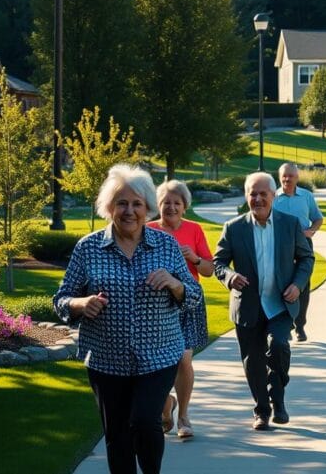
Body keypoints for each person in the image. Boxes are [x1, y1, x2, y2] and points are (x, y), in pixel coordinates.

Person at [53, 164, 201, 474]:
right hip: (106, 360)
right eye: (122, 203)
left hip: (159, 355)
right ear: (109, 207)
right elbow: (61, 299)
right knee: (117, 436)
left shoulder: (166, 245)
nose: (129, 211)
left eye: (136, 204)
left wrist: (175, 284)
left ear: (148, 207)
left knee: (145, 422)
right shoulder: (89, 248)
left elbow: (193, 297)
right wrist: (81, 304)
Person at [214, 171, 314, 430]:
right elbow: (219, 263)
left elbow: (306, 259)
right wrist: (230, 276)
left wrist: (297, 284)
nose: (258, 199)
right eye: (253, 194)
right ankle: (262, 410)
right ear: (246, 196)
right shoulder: (234, 228)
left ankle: (278, 398)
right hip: (247, 306)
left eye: (263, 194)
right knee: (253, 360)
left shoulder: (290, 224)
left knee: (280, 345)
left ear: (273, 196)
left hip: (280, 304)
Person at [147, 180, 212, 440]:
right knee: (156, 361)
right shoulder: (148, 230)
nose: (171, 207)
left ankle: (183, 415)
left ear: (185, 206)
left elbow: (208, 270)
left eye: (177, 202)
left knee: (183, 358)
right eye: (166, 202)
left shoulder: (195, 230)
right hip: (155, 306)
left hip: (188, 302)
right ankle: (166, 407)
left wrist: (194, 258)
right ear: (158, 206)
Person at [272, 163, 323, 342]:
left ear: (297, 178)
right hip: (279, 247)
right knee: (281, 285)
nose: (287, 179)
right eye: (284, 176)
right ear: (280, 177)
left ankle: (300, 325)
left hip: (303, 245)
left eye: (291, 176)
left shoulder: (306, 196)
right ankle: (286, 325)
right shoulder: (273, 197)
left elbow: (318, 218)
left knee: (302, 286)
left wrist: (311, 231)